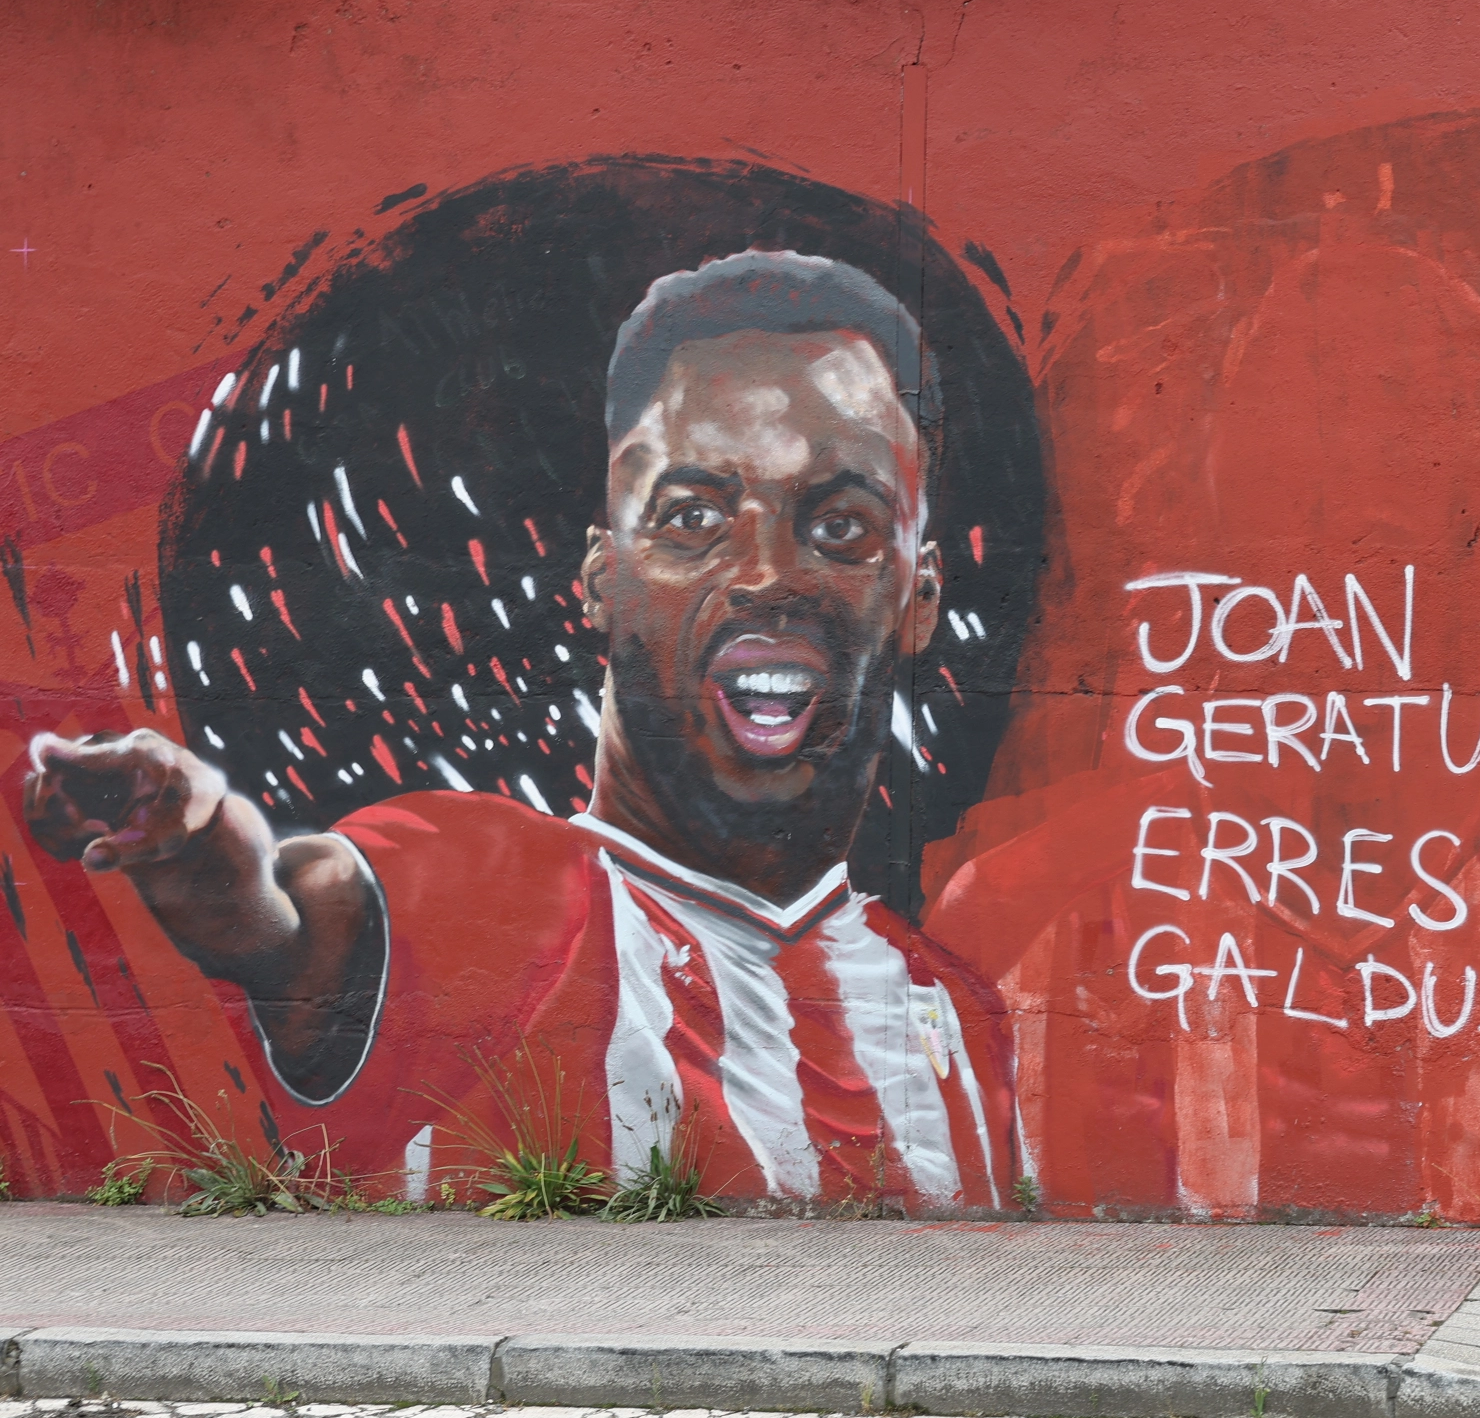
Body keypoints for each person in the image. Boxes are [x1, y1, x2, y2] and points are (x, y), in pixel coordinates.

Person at [21, 250, 1014, 1207]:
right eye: (693, 517)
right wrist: (192, 842)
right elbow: (283, 920)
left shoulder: (952, 1013)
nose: (765, 574)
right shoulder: (490, 886)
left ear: (919, 594)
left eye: (841, 525)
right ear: (602, 577)